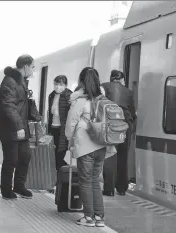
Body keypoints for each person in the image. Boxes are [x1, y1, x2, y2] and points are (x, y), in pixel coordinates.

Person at [65, 67, 116, 227]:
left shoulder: (80, 101)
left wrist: (69, 140)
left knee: (85, 181)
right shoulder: (103, 100)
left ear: (81, 81)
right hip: (101, 146)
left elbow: (70, 124)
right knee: (95, 180)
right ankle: (99, 217)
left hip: (85, 146)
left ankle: (88, 217)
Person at [0, 54, 36, 200]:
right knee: (11, 160)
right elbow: (9, 106)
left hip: (21, 126)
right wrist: (19, 126)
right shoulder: (9, 81)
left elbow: (22, 105)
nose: (33, 70)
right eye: (32, 67)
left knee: (25, 156)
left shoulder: (22, 81)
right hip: (10, 128)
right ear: (25, 67)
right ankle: (6, 190)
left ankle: (19, 186)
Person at [101, 70, 136, 196]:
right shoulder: (129, 92)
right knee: (123, 156)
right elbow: (133, 112)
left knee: (110, 156)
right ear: (122, 80)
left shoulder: (104, 87)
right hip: (125, 125)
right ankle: (121, 188)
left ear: (111, 79)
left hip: (110, 125)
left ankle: (109, 189)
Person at [47, 75, 73, 171]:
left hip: (64, 130)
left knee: (61, 152)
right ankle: (54, 176)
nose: (57, 87)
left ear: (65, 85)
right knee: (53, 151)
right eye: (56, 84)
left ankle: (60, 179)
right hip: (53, 127)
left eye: (60, 84)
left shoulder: (69, 95)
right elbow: (50, 113)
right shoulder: (52, 95)